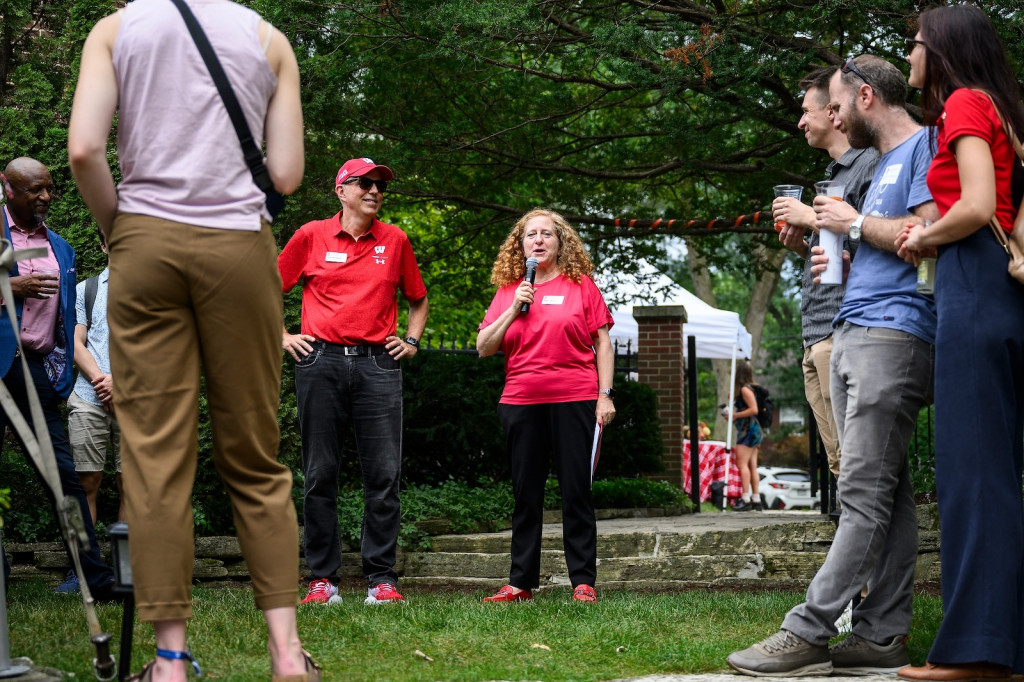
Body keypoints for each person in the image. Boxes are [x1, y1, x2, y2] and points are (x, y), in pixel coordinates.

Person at [67, 0, 317, 679]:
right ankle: (287, 654)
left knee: (154, 460)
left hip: (144, 240)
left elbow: (85, 149)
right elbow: (287, 175)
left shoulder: (116, 30)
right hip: (239, 245)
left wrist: (121, 232)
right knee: (256, 455)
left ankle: (170, 662)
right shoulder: (269, 39)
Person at [727, 55, 938, 677]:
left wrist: (853, 222)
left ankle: (808, 630)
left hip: (892, 336)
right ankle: (879, 637)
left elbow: (929, 235)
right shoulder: (882, 164)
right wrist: (838, 251)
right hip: (853, 328)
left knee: (862, 494)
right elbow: (874, 241)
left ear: (865, 97)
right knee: (888, 497)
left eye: (837, 103)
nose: (830, 114)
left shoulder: (923, 148)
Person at [895, 6, 1024, 680]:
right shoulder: (1003, 108)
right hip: (997, 293)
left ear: (940, 49)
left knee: (974, 477)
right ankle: (1004, 644)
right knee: (997, 474)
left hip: (972, 285)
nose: (909, 56)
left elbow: (975, 206)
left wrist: (924, 236)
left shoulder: (966, 104)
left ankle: (978, 653)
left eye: (914, 45)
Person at [278, 157, 429, 607]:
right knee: (321, 473)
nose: (375, 190)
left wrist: (413, 340)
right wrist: (282, 335)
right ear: (341, 191)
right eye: (364, 183)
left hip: (378, 365)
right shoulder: (310, 236)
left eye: (380, 184)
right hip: (319, 360)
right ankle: (322, 580)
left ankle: (381, 579)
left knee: (383, 474)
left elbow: (418, 301)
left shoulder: (395, 240)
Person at [477, 208, 614, 604]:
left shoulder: (581, 286)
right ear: (520, 246)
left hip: (576, 398)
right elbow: (484, 347)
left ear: (560, 242)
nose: (538, 240)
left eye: (547, 234)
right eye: (530, 235)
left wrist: (605, 394)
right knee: (526, 494)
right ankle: (520, 583)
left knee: (576, 491)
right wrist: (513, 306)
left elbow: (602, 342)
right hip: (521, 401)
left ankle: (583, 582)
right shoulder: (508, 291)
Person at [0, 158, 117, 601]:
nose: (45, 197)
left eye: (49, 189)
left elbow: (67, 315)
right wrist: (11, 288)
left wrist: (62, 368)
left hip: (34, 372)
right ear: (7, 188)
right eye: (34, 189)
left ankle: (94, 577)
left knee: (64, 480)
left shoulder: (60, 248)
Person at [773, 67, 878, 480]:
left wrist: (810, 218)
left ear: (833, 114)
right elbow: (835, 255)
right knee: (838, 462)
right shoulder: (834, 176)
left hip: (842, 330)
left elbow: (877, 243)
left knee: (857, 461)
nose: (800, 121)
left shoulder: (868, 164)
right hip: (813, 332)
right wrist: (802, 244)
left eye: (807, 111)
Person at [70, 231, 123, 530]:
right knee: (86, 482)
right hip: (89, 397)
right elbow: (77, 342)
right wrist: (103, 382)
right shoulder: (86, 290)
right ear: (103, 245)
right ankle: (84, 570)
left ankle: (127, 573)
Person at [727, 360, 762, 512]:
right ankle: (756, 499)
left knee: (742, 464)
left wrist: (735, 414)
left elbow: (754, 410)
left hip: (748, 430)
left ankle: (745, 498)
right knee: (752, 466)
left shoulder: (745, 390)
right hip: (752, 429)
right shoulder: (747, 389)